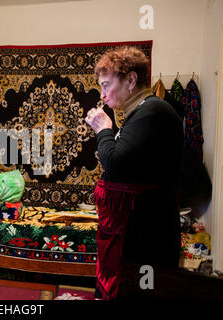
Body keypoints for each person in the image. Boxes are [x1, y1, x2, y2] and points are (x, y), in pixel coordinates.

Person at [85, 46, 183, 299]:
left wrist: (104, 129)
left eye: (107, 85)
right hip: (143, 225)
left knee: (140, 291)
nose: (103, 94)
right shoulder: (142, 112)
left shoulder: (152, 111)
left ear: (130, 80)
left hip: (147, 231)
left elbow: (115, 162)